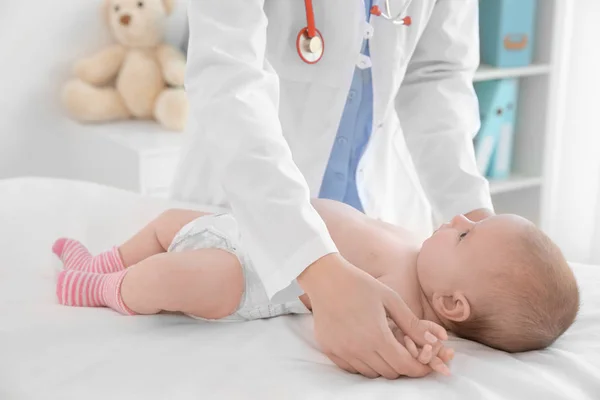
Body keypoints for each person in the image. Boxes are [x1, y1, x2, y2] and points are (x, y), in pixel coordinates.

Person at [168, 0, 495, 378]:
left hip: (372, 207)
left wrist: (482, 230)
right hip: (248, 198)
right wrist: (319, 272)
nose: (459, 223)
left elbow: (436, 74)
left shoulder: (418, 268)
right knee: (177, 261)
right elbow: (227, 73)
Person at [52, 199, 580, 379]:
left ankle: (100, 286)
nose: (460, 217)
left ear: (451, 304)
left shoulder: (402, 293)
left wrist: (418, 341)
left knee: (170, 276)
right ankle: (101, 259)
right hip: (248, 226)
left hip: (245, 273)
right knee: (167, 223)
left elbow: (380, 333)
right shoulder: (414, 246)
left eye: (467, 233)